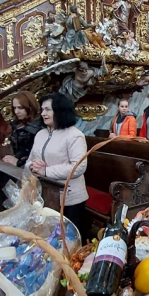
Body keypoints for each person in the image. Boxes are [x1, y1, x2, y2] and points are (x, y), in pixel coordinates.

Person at [26, 94, 89, 235]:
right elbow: (30, 160)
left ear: (60, 110)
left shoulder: (74, 135)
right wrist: (32, 166)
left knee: (68, 239)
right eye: (42, 109)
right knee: (49, 237)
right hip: (46, 195)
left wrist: (46, 171)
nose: (43, 113)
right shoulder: (40, 134)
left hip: (69, 199)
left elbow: (78, 166)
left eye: (48, 109)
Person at [4, 91, 44, 167]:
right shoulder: (16, 124)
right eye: (14, 108)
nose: (16, 112)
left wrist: (19, 162)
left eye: (20, 108)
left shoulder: (39, 128)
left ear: (30, 106)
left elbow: (40, 156)